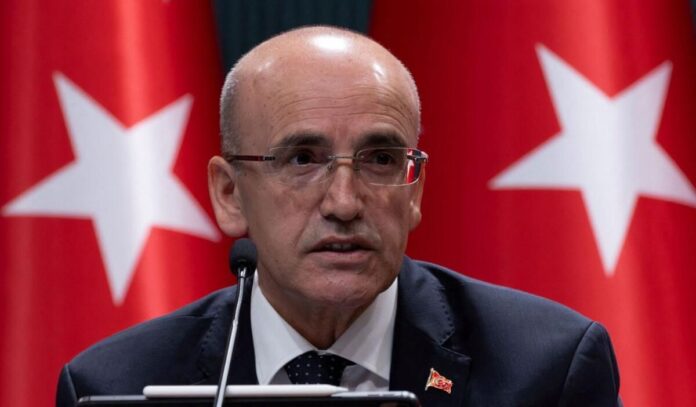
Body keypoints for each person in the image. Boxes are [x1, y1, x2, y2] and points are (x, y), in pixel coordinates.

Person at [56, 26, 620, 406]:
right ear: (229, 194)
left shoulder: (546, 371)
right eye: (302, 160)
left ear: (415, 190)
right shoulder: (116, 385)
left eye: (380, 160)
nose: (344, 203)